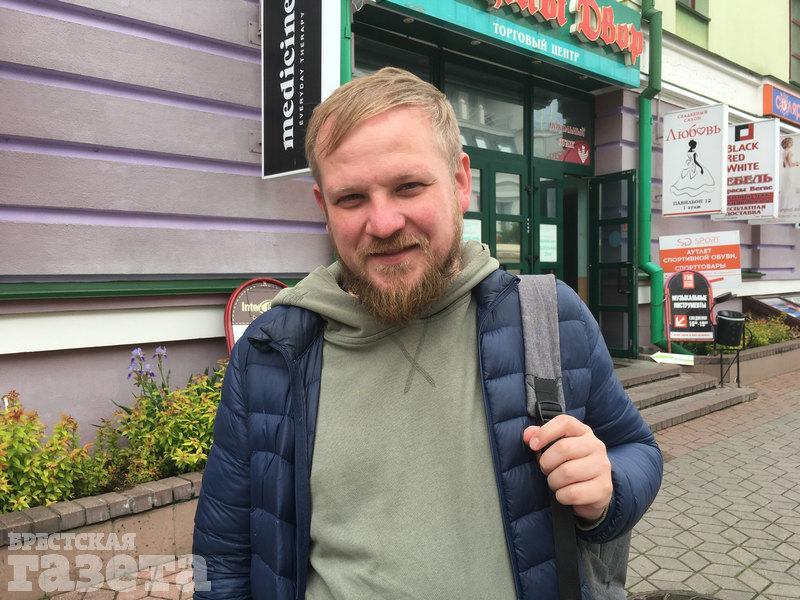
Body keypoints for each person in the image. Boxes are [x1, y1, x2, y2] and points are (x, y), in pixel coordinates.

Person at [193, 67, 662, 600]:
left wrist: (606, 488)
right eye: (352, 198)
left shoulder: (549, 317)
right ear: (324, 208)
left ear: (460, 182)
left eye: (408, 187)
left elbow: (636, 449)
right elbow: (221, 559)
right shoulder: (271, 353)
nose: (384, 223)